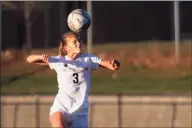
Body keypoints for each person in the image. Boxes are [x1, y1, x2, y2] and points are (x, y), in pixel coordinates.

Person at [26, 31, 120, 128]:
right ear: (66, 48)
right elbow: (29, 59)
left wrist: (114, 64)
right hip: (61, 106)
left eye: (79, 41)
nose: (78, 43)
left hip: (80, 112)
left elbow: (109, 65)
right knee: (59, 125)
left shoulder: (88, 59)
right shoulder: (59, 60)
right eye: (74, 42)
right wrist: (40, 56)